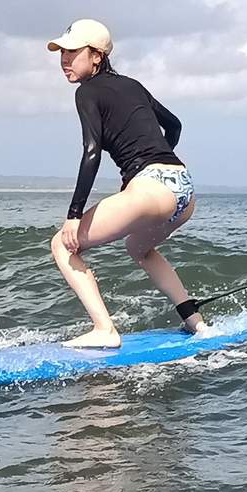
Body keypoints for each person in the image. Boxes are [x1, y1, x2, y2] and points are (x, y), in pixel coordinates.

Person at [46, 19, 204, 349]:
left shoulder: (86, 92)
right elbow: (174, 125)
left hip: (150, 189)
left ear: (97, 56)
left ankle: (104, 329)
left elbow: (91, 152)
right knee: (138, 248)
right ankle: (195, 321)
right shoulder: (132, 85)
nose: (65, 59)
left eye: (73, 52)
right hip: (183, 186)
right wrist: (157, 164)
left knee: (62, 244)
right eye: (62, 52)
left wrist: (74, 215)